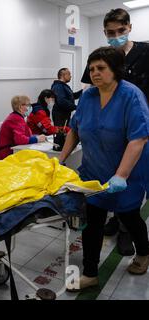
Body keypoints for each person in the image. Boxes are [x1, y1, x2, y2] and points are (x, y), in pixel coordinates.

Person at [60, 47, 149, 290]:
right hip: (93, 174)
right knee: (93, 224)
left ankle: (143, 255)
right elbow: (75, 130)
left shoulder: (131, 96)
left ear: (115, 70)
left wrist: (120, 176)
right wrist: (60, 159)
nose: (95, 73)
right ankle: (90, 274)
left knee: (130, 219)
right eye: (91, 69)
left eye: (101, 68)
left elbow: (138, 139)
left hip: (127, 175)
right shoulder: (88, 97)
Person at [81, 8, 149, 255]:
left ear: (129, 27)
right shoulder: (101, 60)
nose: (116, 36)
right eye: (111, 33)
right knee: (102, 195)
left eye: (121, 30)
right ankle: (114, 221)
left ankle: (126, 232)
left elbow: (138, 136)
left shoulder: (144, 55)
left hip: (136, 133)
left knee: (127, 194)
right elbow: (89, 93)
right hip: (105, 137)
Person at [0, 95, 46, 160]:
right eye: (28, 105)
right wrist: (37, 139)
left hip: (11, 151)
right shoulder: (16, 119)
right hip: (8, 154)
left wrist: (36, 137)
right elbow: (20, 140)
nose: (30, 107)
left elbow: (25, 135)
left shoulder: (17, 117)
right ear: (20, 107)